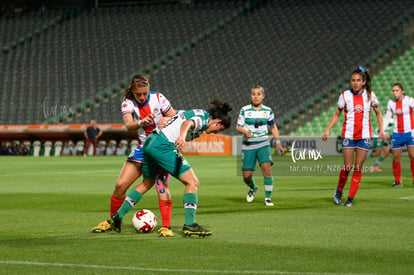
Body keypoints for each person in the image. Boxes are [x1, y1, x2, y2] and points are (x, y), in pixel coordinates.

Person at [107, 99, 232, 237]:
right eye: (218, 130)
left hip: (150, 142)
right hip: (163, 146)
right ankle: (190, 224)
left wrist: (165, 118)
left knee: (146, 183)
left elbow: (179, 115)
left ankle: (117, 216)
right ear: (218, 122)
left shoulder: (197, 112)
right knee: (193, 182)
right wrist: (182, 137)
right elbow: (187, 123)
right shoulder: (202, 120)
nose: (214, 133)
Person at [91, 74, 177, 237]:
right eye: (139, 94)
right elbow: (129, 125)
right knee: (120, 185)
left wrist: (165, 120)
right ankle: (113, 221)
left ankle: (166, 226)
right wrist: (141, 122)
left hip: (162, 147)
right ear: (133, 91)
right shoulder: (127, 103)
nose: (143, 96)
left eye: (145, 93)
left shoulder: (159, 98)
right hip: (143, 148)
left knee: (161, 187)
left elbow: (174, 116)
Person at [322, 66, 384, 207]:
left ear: (363, 82)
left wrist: (381, 130)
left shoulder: (370, 95)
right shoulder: (344, 96)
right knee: (348, 166)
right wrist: (327, 129)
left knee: (358, 167)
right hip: (348, 135)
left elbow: (378, 114)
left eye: (358, 80)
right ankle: (339, 190)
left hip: (364, 136)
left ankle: (350, 197)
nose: (355, 83)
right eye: (353, 80)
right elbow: (337, 113)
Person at [236, 85, 284, 207]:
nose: (256, 97)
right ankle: (253, 187)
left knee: (267, 169)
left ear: (263, 96)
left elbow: (273, 127)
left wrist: (278, 142)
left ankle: (268, 198)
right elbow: (238, 126)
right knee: (247, 176)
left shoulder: (268, 111)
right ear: (251, 96)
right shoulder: (244, 110)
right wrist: (245, 132)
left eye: (258, 94)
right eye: (253, 94)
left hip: (263, 143)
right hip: (248, 145)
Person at [383, 83, 414, 187]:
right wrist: (384, 131)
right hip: (397, 134)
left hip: (410, 132)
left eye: (397, 90)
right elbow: (387, 117)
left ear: (402, 91)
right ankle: (398, 181)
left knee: (413, 156)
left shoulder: (410, 100)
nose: (395, 93)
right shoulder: (391, 103)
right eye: (393, 91)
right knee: (395, 158)